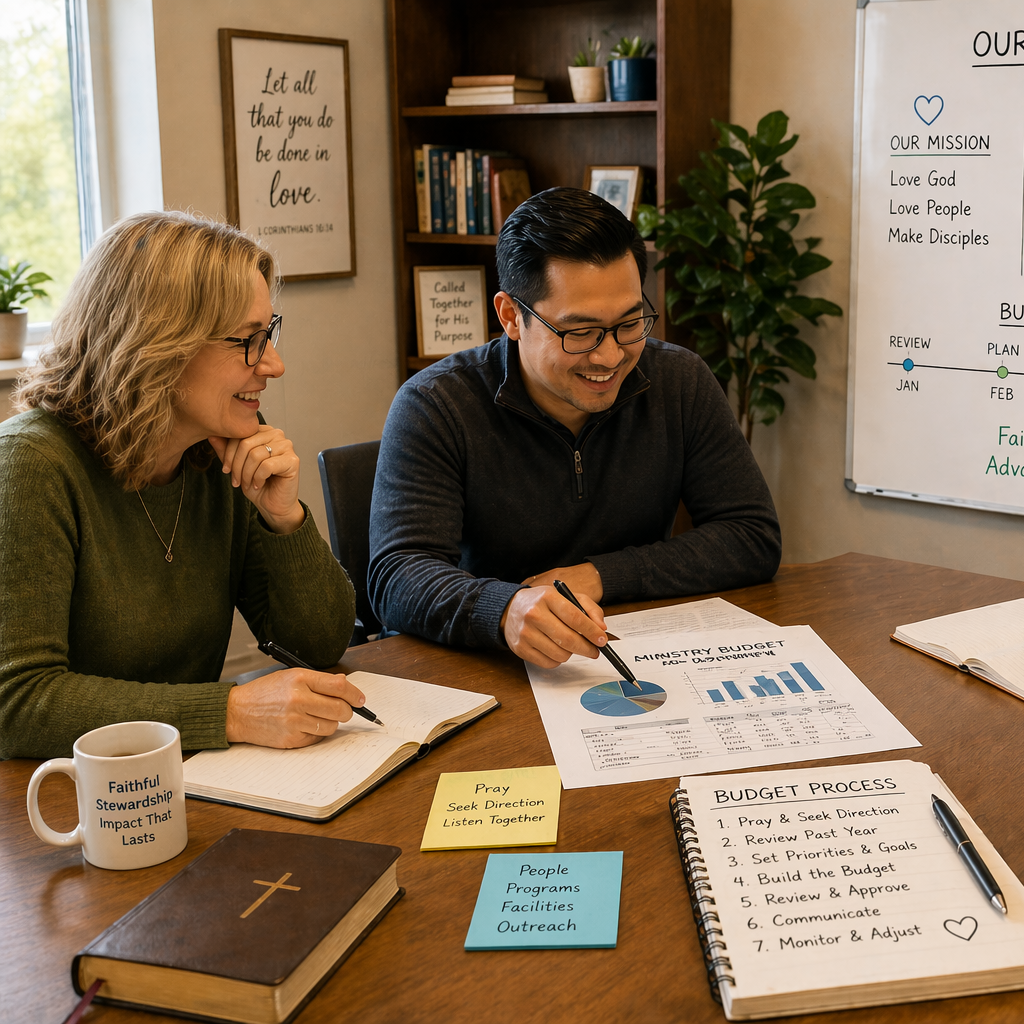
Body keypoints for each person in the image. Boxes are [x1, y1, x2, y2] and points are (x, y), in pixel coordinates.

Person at [0, 211, 364, 759]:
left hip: (190, 779)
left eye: (269, 335)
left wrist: (284, 518)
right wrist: (232, 711)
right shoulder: (31, 464)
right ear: (159, 343)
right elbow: (19, 705)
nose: (274, 364)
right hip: (62, 806)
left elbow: (317, 645)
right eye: (247, 340)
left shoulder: (218, 452)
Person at [368, 187, 781, 669]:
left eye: (630, 324)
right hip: (484, 665)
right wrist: (505, 608)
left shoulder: (680, 381)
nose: (608, 356)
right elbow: (398, 578)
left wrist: (599, 576)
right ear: (511, 317)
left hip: (632, 652)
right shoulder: (437, 404)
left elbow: (751, 536)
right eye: (579, 332)